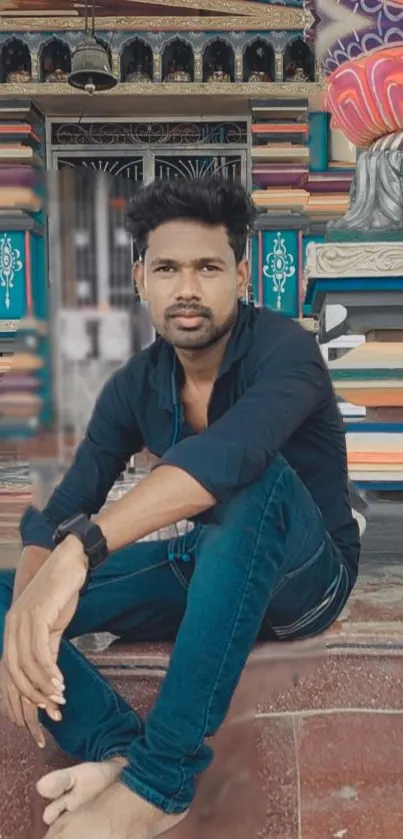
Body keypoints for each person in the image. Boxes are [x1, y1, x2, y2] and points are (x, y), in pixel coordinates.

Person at [0, 177, 360, 839]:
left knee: (250, 480)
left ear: (240, 275)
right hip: (212, 566)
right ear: (139, 277)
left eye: (207, 267)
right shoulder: (136, 382)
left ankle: (158, 782)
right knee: (7, 590)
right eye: (167, 267)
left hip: (306, 578)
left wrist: (80, 550)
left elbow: (231, 457)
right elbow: (66, 500)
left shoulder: (287, 350)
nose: (186, 288)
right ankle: (114, 749)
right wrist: (26, 610)